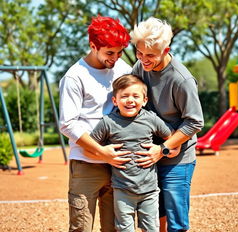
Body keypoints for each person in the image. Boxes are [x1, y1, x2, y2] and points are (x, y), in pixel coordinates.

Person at [130, 17, 204, 232]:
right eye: (139, 52)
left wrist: (165, 146)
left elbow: (195, 121)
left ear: (166, 50)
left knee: (176, 220)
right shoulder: (140, 66)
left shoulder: (181, 80)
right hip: (151, 152)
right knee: (156, 212)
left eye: (150, 55)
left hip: (176, 158)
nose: (143, 59)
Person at [59, 16, 132, 232]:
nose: (116, 58)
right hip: (86, 163)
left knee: (115, 227)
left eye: (119, 52)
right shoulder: (75, 76)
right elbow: (68, 124)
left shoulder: (124, 70)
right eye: (110, 53)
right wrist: (101, 152)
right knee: (82, 227)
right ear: (93, 46)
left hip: (118, 165)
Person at [90, 74, 181, 232]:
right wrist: (104, 154)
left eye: (135, 96)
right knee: (124, 229)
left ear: (145, 101)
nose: (130, 100)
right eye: (124, 96)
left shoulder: (151, 119)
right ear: (115, 101)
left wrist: (162, 151)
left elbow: (172, 137)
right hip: (122, 190)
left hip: (150, 190)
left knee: (151, 228)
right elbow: (91, 146)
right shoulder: (108, 122)